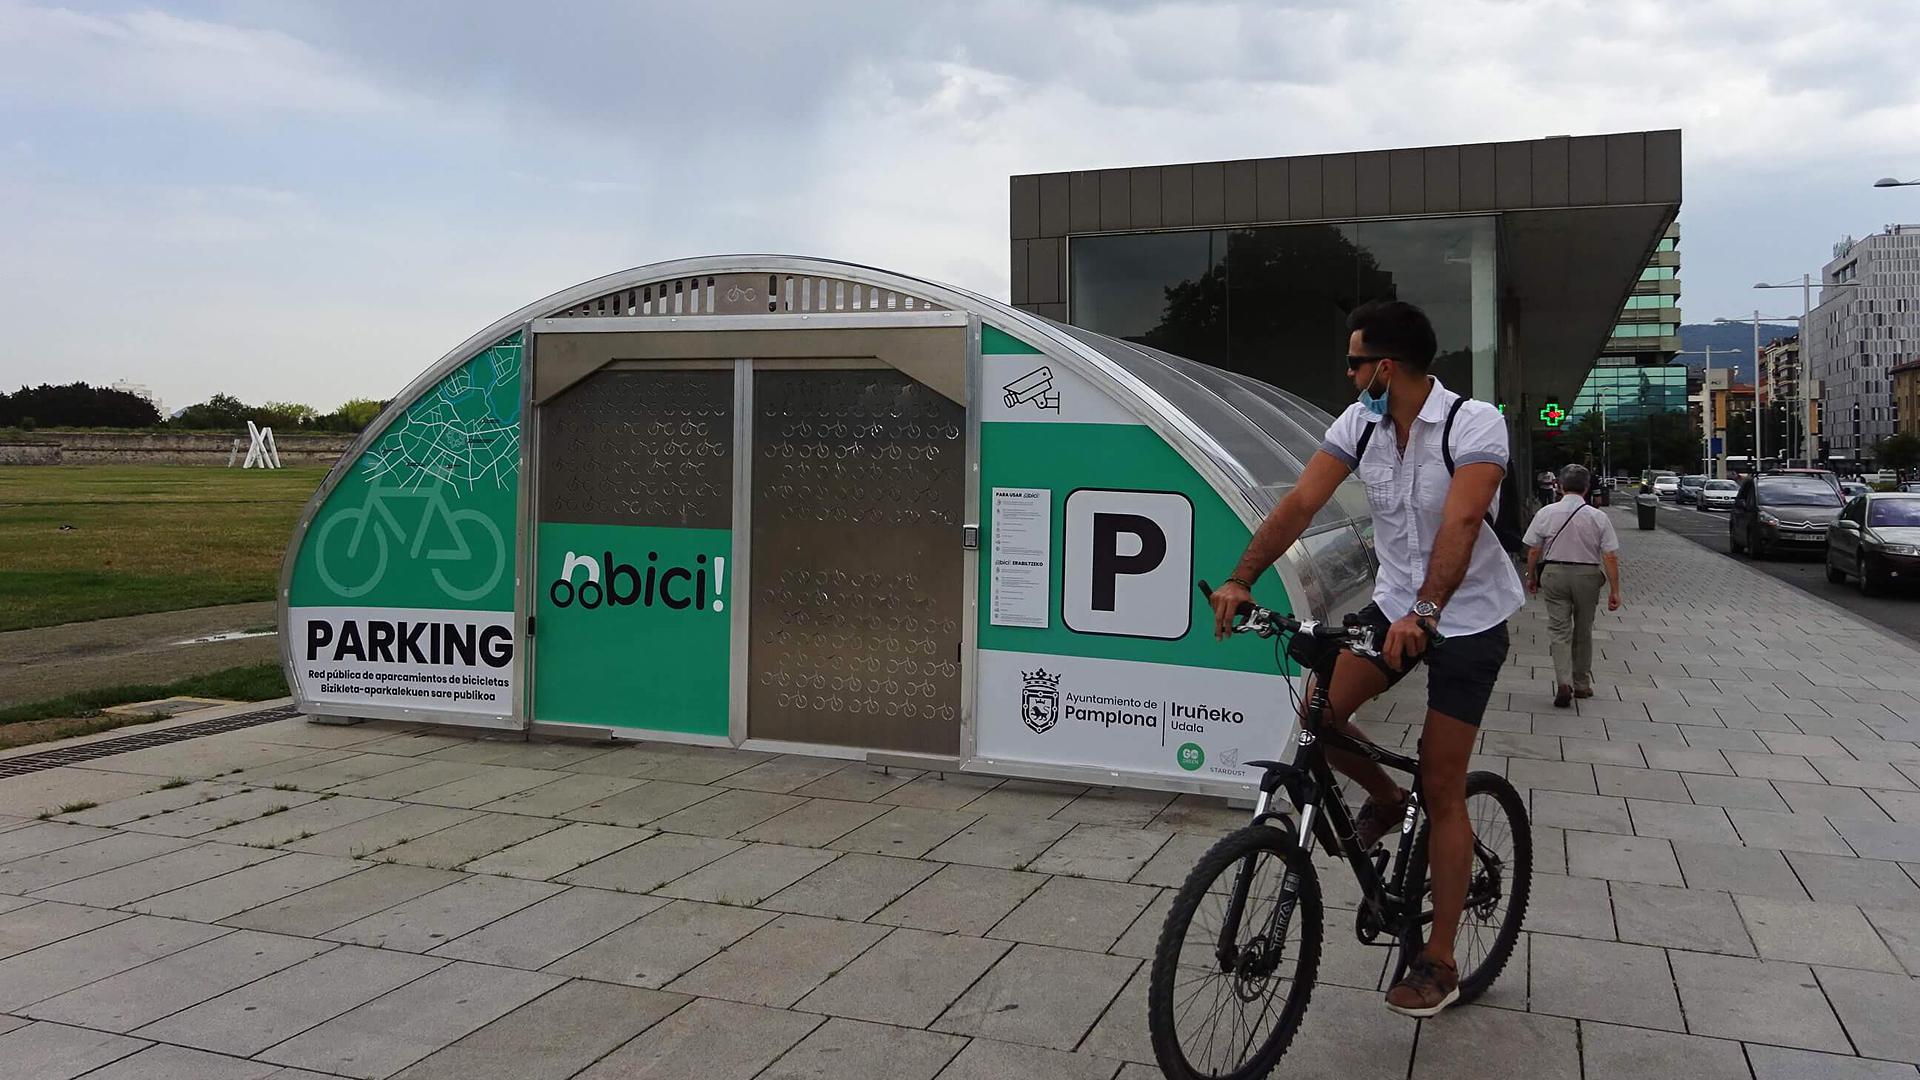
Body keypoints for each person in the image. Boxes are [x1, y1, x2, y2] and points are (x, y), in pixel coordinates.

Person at [1209, 299, 1523, 1018]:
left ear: (1384, 366)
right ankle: (1384, 799)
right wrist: (1241, 577)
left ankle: (1439, 958)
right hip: (1394, 605)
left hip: (1466, 620)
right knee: (1320, 712)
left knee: (1443, 785)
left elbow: (1465, 521)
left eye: (1353, 362)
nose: (1347, 376)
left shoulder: (1475, 423)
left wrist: (1430, 611)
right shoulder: (1360, 423)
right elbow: (1299, 505)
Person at [1523, 464, 1622, 707]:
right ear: (1587, 488)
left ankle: (1563, 681)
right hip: (1587, 576)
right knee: (1583, 630)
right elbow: (1609, 555)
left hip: (1554, 573)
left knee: (1559, 630)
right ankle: (1581, 684)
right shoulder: (1598, 517)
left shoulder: (1546, 512)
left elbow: (1534, 548)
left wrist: (1531, 576)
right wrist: (1614, 589)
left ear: (1559, 485)